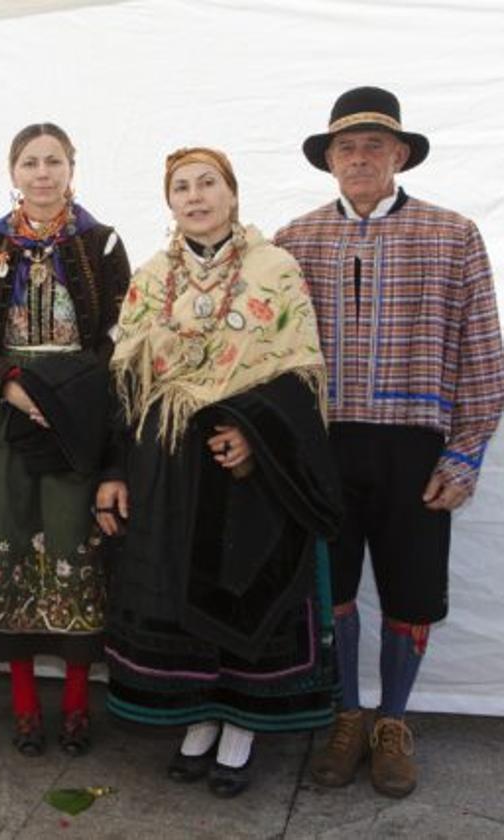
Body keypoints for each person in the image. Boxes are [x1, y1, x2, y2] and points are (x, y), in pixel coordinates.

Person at [275, 87, 504, 798]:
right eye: (347, 147)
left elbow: (484, 356)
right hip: (326, 447)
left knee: (410, 592)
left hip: (415, 450)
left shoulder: (452, 233)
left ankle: (394, 721)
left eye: (375, 145)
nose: (361, 157)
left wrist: (465, 453)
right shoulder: (294, 241)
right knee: (331, 590)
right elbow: (269, 356)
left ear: (400, 154)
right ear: (330, 161)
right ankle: (346, 714)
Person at [98, 147, 342, 797]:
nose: (196, 196)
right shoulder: (150, 277)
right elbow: (127, 383)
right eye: (182, 187)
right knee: (184, 599)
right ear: (169, 202)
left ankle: (243, 728)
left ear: (233, 194)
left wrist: (254, 436)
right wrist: (117, 469)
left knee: (243, 585)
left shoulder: (274, 269)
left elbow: (299, 371)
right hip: (171, 465)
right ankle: (199, 719)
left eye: (209, 183)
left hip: (247, 470)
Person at [0, 123, 130, 758]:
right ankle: (24, 707)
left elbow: (115, 334)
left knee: (72, 534)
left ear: (72, 167)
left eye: (53, 161)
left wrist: (68, 396)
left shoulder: (102, 244)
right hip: (6, 409)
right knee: (12, 535)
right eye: (30, 162)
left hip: (77, 411)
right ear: (12, 170)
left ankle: (76, 704)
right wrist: (12, 388)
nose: (42, 173)